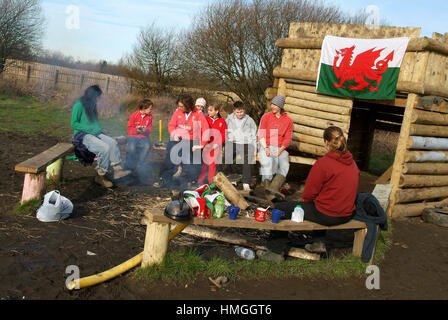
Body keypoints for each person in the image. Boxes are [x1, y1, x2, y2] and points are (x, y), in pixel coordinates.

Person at [272, 126, 360, 255]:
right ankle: (319, 243)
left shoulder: (323, 163)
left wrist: (305, 202)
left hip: (329, 215)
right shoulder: (353, 164)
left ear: (326, 142)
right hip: (346, 214)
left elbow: (309, 194)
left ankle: (274, 251)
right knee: (322, 203)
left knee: (280, 208)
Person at [71, 85, 131, 188]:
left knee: (112, 142)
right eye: (97, 96)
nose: (98, 99)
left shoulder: (92, 104)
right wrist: (89, 129)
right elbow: (74, 123)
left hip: (95, 133)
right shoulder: (79, 104)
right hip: (82, 135)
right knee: (105, 148)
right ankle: (100, 176)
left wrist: (98, 129)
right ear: (91, 95)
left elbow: (94, 123)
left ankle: (117, 170)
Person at [159, 93, 209, 188]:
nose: (179, 107)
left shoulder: (198, 113)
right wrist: (174, 133)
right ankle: (163, 178)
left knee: (192, 161)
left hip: (191, 139)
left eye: (182, 106)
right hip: (178, 138)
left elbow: (206, 130)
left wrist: (201, 145)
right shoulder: (178, 111)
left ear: (188, 106)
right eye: (179, 106)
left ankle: (187, 181)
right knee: (170, 155)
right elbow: (171, 125)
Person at [257, 95, 293, 199]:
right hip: (266, 145)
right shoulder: (266, 117)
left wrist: (281, 150)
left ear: (280, 106)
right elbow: (261, 134)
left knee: (284, 163)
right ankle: (267, 190)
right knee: (267, 162)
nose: (272, 106)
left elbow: (287, 138)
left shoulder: (288, 121)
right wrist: (266, 148)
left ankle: (272, 190)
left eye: (275, 105)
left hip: (280, 147)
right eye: (272, 104)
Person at [225, 101, 258, 191]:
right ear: (234, 111)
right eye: (238, 112)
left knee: (247, 158)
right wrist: (226, 143)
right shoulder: (229, 119)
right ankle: (232, 179)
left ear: (244, 110)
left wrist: (255, 148)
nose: (240, 114)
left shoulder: (249, 120)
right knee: (228, 156)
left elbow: (254, 135)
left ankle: (246, 182)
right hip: (233, 142)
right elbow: (225, 131)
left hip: (245, 143)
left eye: (242, 112)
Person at [197, 103, 226, 185]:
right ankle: (200, 181)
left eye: (211, 110)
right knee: (204, 164)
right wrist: (203, 142)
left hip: (215, 146)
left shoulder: (222, 121)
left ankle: (211, 182)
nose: (208, 112)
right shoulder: (205, 119)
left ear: (216, 111)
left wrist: (217, 144)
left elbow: (223, 134)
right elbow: (201, 131)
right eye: (208, 110)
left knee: (213, 165)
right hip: (206, 145)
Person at [124, 98, 153, 180]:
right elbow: (129, 128)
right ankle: (129, 166)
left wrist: (146, 130)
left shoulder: (150, 117)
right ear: (144, 108)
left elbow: (150, 128)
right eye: (150, 109)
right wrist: (136, 130)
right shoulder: (134, 115)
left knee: (147, 146)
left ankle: (139, 165)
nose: (151, 110)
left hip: (144, 137)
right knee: (131, 147)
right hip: (133, 136)